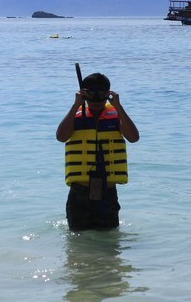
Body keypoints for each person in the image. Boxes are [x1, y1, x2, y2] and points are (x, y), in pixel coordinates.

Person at [56, 73, 139, 231]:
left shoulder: (116, 116)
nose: (96, 98)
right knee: (77, 239)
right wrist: (75, 105)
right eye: (91, 94)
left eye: (101, 94)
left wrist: (118, 106)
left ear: (108, 94)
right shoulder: (76, 116)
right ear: (84, 94)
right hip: (79, 190)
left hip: (107, 191)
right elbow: (61, 137)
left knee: (109, 241)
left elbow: (133, 138)